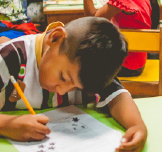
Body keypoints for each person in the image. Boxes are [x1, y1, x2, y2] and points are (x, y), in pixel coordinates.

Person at [0, 17, 148, 152]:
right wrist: (7, 125)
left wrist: (136, 126)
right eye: (63, 77)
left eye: (76, 88)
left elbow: (117, 96)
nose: (63, 91)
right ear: (55, 38)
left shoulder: (92, 66)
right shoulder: (10, 57)